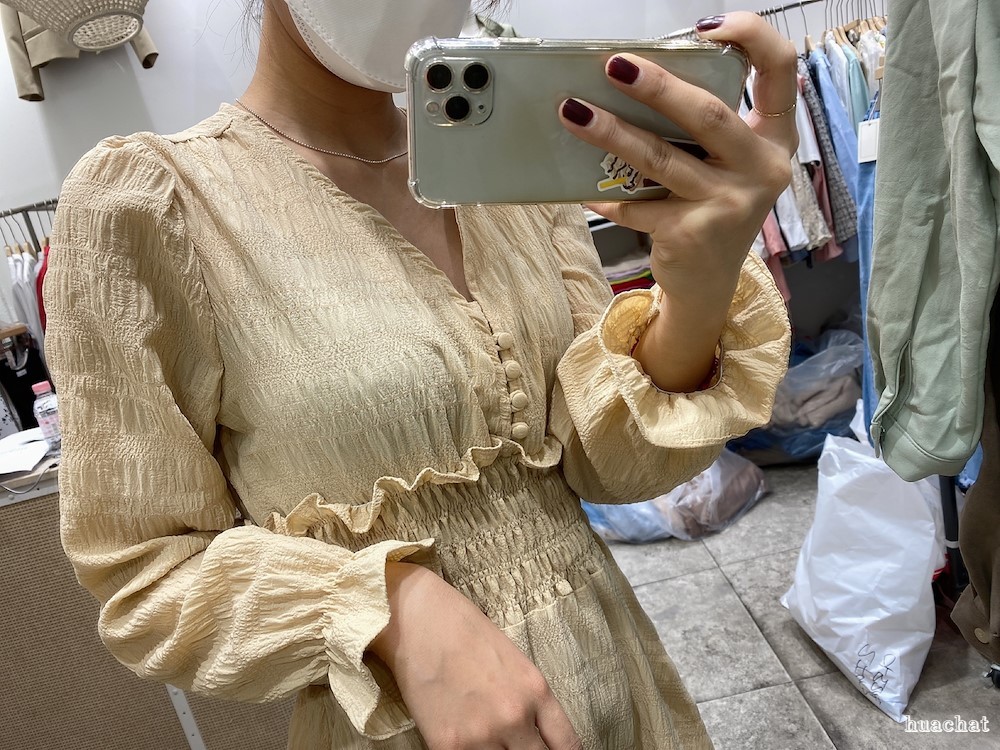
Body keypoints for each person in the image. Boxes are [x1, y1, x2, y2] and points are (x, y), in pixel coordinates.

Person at [46, 1, 796, 748]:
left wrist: (700, 282)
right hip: (404, 727)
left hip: (611, 675)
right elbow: (146, 573)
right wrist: (384, 607)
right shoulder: (154, 205)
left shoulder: (511, 161)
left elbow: (609, 467)